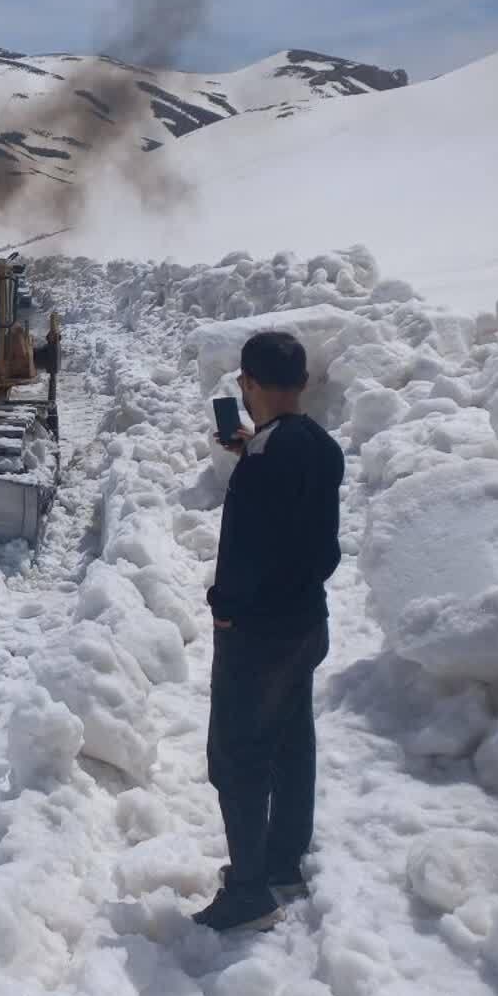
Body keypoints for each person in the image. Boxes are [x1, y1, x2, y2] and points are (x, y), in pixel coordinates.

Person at [194, 330, 345, 934]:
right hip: (307, 621)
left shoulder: (262, 464)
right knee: (291, 740)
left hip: (258, 633)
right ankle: (285, 860)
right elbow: (307, 528)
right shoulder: (321, 447)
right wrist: (252, 452)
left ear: (248, 385)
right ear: (302, 383)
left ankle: (249, 890)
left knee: (237, 756)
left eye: (245, 385)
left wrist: (223, 606)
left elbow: (243, 553)